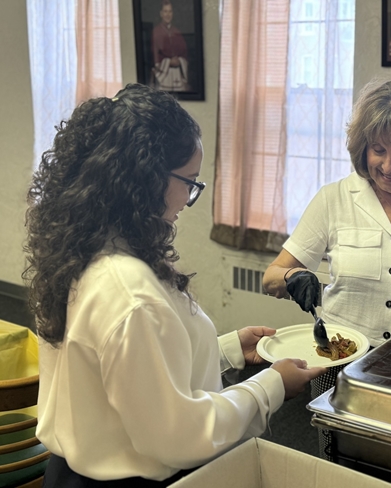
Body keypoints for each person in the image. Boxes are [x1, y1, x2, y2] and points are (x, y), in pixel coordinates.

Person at [23, 83, 326, 487]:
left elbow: (135, 377)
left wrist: (226, 350)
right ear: (146, 179)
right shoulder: (130, 293)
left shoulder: (86, 248)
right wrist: (272, 386)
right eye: (189, 182)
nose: (188, 198)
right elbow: (181, 435)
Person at [263, 76, 391, 348]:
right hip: (341, 358)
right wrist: (291, 277)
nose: (388, 165)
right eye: (378, 150)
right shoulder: (333, 199)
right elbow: (271, 277)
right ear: (364, 149)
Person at [151, 0, 190, 92]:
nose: (168, 15)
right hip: (164, 76)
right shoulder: (156, 32)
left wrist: (180, 61)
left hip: (177, 75)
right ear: (161, 14)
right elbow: (154, 56)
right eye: (165, 11)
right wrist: (169, 62)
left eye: (170, 11)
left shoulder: (177, 32)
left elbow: (184, 53)